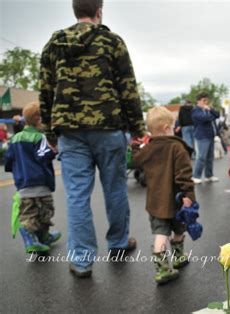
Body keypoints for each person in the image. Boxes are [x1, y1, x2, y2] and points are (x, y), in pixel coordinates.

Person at [39, 0, 145, 277]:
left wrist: (50, 133)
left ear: (75, 11)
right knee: (115, 189)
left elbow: (46, 91)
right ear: (99, 11)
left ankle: (83, 261)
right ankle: (119, 243)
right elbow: (128, 88)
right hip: (109, 128)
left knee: (76, 197)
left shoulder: (55, 43)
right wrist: (137, 129)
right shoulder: (111, 42)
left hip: (70, 133)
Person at [132, 107, 195, 284]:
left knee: (160, 233)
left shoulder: (148, 148)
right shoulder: (177, 147)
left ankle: (162, 269)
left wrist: (135, 146)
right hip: (176, 200)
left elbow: (134, 161)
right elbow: (184, 174)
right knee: (179, 229)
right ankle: (178, 256)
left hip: (155, 202)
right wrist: (188, 194)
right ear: (167, 127)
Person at [4, 102, 61, 253]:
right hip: (41, 182)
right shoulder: (39, 137)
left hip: (23, 185)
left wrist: (17, 171)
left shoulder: (15, 139)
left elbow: (8, 160)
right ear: (38, 120)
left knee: (29, 213)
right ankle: (34, 239)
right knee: (45, 212)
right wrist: (54, 151)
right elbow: (42, 155)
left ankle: (40, 239)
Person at [191, 92, 220, 184]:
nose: (206, 102)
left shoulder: (208, 109)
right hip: (202, 137)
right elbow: (205, 118)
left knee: (210, 157)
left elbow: (217, 115)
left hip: (210, 135)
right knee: (201, 157)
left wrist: (210, 109)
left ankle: (209, 175)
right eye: (204, 100)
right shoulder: (195, 111)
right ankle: (196, 176)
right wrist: (210, 114)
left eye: (206, 100)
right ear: (198, 101)